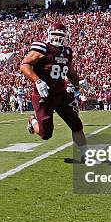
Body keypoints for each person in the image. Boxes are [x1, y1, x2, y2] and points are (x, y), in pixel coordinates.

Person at [20, 22, 90, 160]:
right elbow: (24, 65)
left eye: (61, 35)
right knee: (46, 134)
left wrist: (79, 84)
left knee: (76, 124)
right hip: (43, 95)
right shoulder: (43, 48)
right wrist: (37, 81)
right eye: (55, 35)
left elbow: (70, 73)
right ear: (49, 35)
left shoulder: (67, 52)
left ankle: (85, 156)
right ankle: (32, 121)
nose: (58, 38)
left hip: (61, 93)